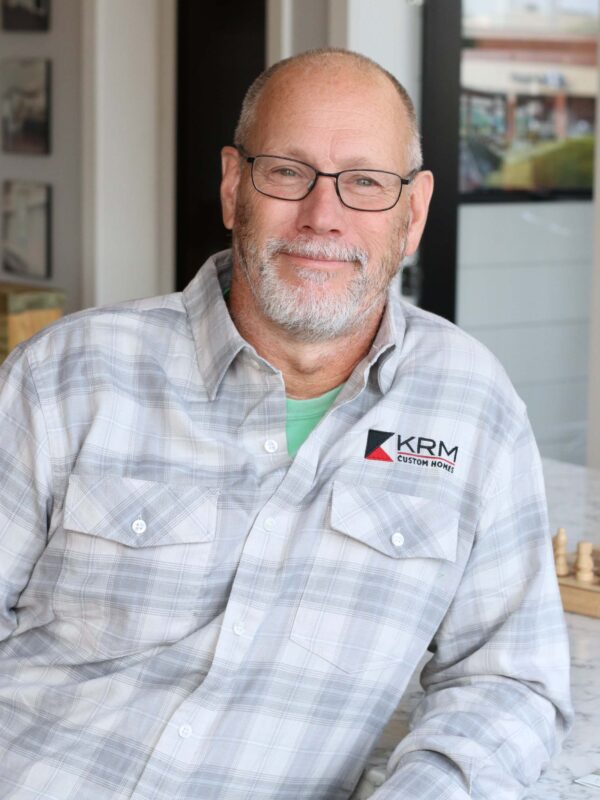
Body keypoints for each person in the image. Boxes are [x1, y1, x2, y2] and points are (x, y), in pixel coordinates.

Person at [0, 48, 572, 800]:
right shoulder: (67, 373)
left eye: (365, 182)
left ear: (415, 212)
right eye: (286, 172)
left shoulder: (474, 409)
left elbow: (510, 677)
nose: (322, 216)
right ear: (234, 186)